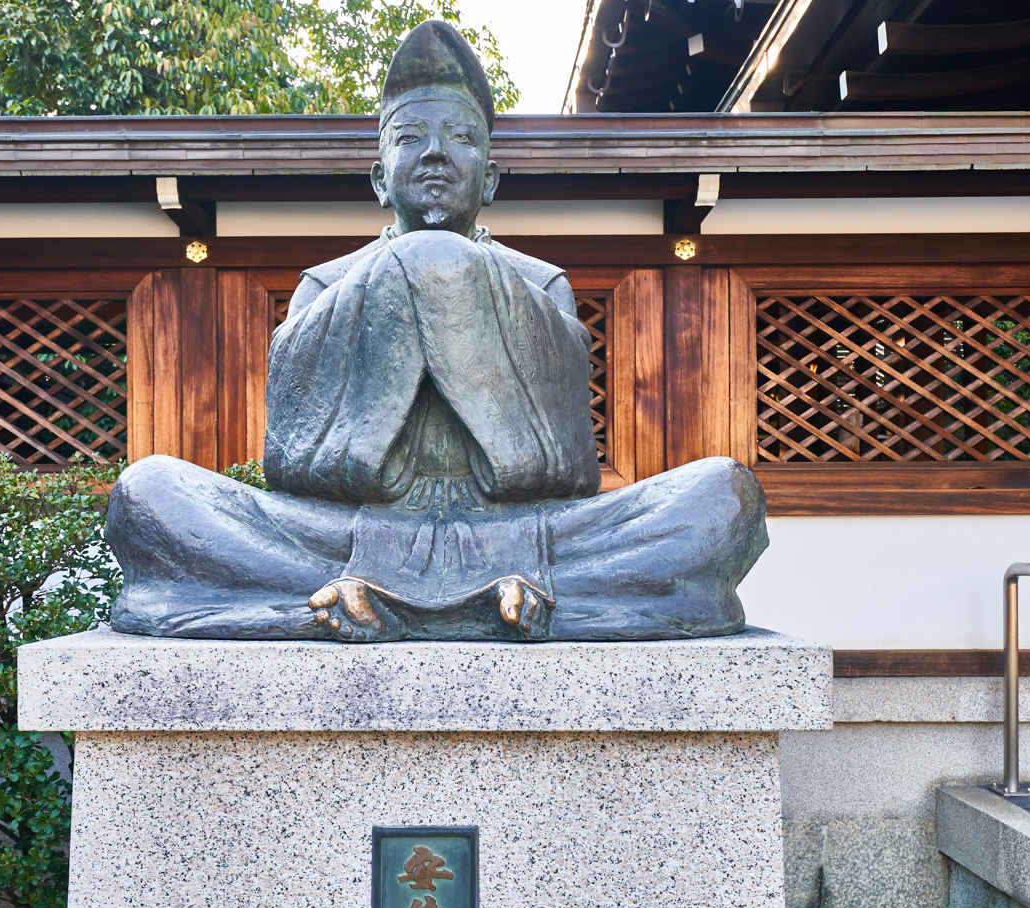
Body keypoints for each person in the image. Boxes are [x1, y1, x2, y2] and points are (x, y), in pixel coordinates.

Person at [105, 21, 767, 642]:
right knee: (148, 491)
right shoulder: (324, 285)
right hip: (342, 536)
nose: (434, 154)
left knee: (724, 494)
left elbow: (566, 472)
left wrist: (455, 278)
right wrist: (403, 275)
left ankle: (321, 607)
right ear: (377, 176)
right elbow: (295, 470)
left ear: (492, 175)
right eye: (409, 137)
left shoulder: (541, 283)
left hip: (523, 535)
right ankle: (537, 606)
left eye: (460, 136)